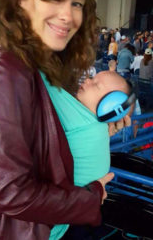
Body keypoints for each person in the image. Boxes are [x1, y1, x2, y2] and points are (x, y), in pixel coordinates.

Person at [0, 0, 129, 240]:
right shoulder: (6, 71)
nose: (67, 14)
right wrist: (91, 197)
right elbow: (13, 194)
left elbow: (45, 131)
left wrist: (108, 117)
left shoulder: (39, 60)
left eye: (76, 3)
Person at [40, 70, 133, 239]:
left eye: (96, 85)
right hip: (53, 229)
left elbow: (36, 74)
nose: (87, 82)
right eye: (92, 78)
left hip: (30, 227)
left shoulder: (80, 119)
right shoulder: (95, 127)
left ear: (112, 106)